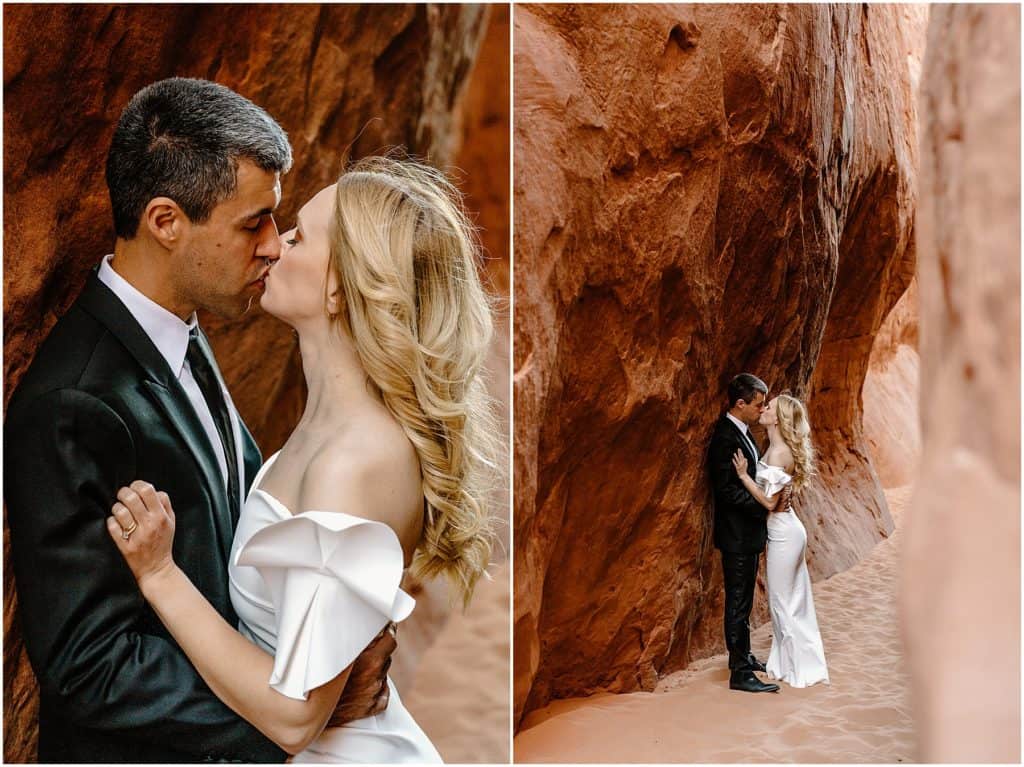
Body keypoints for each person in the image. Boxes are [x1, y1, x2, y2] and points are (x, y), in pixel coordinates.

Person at [4, 78, 392, 763]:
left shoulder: (181, 331)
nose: (273, 245)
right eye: (254, 222)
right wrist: (290, 713)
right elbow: (90, 665)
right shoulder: (74, 402)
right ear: (165, 221)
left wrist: (327, 649)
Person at [105, 153, 496, 762]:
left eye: (301, 234)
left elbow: (294, 718)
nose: (275, 245)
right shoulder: (331, 429)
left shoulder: (353, 462)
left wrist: (160, 576)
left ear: (341, 285)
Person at [731, 394, 829, 688]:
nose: (763, 409)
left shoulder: (778, 453)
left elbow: (771, 504)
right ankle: (789, 663)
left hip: (784, 533)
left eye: (769, 407)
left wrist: (743, 476)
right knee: (791, 601)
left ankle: (798, 669)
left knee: (783, 601)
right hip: (787, 530)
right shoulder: (776, 448)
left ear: (778, 418)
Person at [707, 372, 786, 693]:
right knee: (738, 602)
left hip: (747, 533)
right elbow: (726, 490)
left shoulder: (743, 432)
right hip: (737, 534)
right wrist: (763, 507)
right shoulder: (726, 437)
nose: (761, 409)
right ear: (740, 404)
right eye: (758, 404)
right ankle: (740, 673)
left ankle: (744, 656)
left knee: (744, 600)